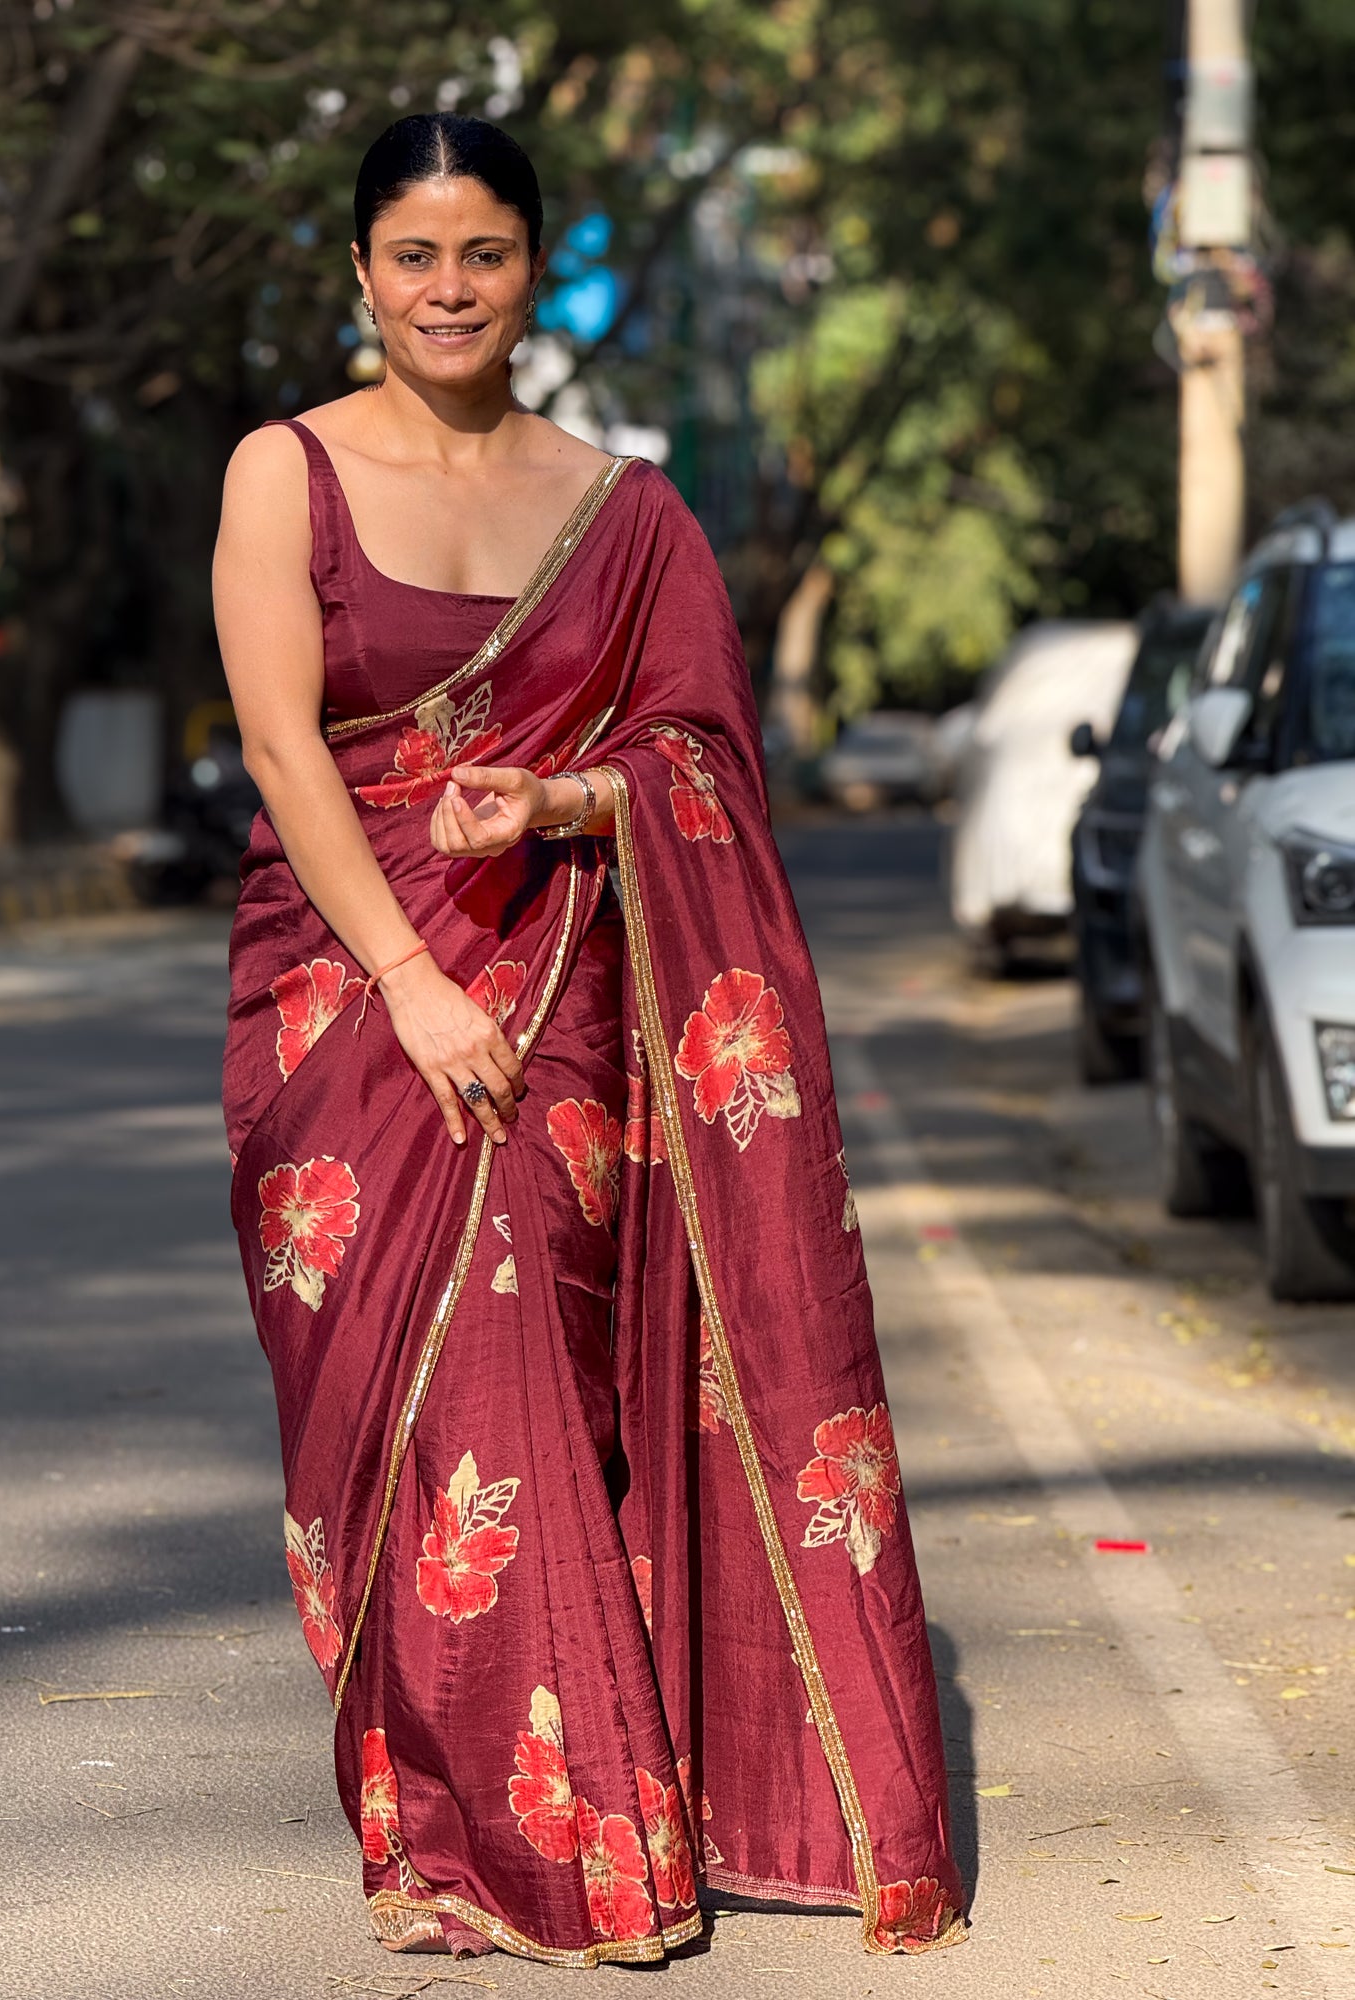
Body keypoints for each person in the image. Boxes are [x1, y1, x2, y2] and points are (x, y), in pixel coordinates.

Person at [214, 111, 963, 1967]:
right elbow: (289, 747)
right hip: (345, 994)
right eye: (412, 256)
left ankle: (574, 1849)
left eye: (482, 256)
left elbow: (701, 758)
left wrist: (557, 807)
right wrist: (408, 975)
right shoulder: (281, 472)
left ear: (532, 270)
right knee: (372, 1414)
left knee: (528, 1367)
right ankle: (430, 1819)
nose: (447, 291)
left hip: (565, 985)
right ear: (363, 270)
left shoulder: (622, 511)